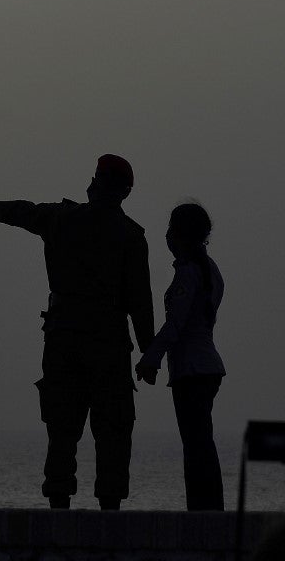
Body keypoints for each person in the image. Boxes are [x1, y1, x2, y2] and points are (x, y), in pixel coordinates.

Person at [0, 154, 154, 510]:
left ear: (97, 183)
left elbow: (23, 212)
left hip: (64, 339)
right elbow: (140, 303)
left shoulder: (62, 219)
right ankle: (109, 510)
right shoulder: (131, 238)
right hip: (108, 344)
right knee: (112, 430)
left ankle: (59, 506)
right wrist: (149, 353)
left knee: (62, 428)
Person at [135, 203, 226, 511]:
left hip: (191, 370)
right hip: (206, 367)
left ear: (176, 234)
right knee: (203, 444)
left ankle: (203, 512)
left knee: (196, 447)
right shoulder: (210, 269)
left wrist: (150, 358)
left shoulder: (189, 274)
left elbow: (176, 325)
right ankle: (210, 509)